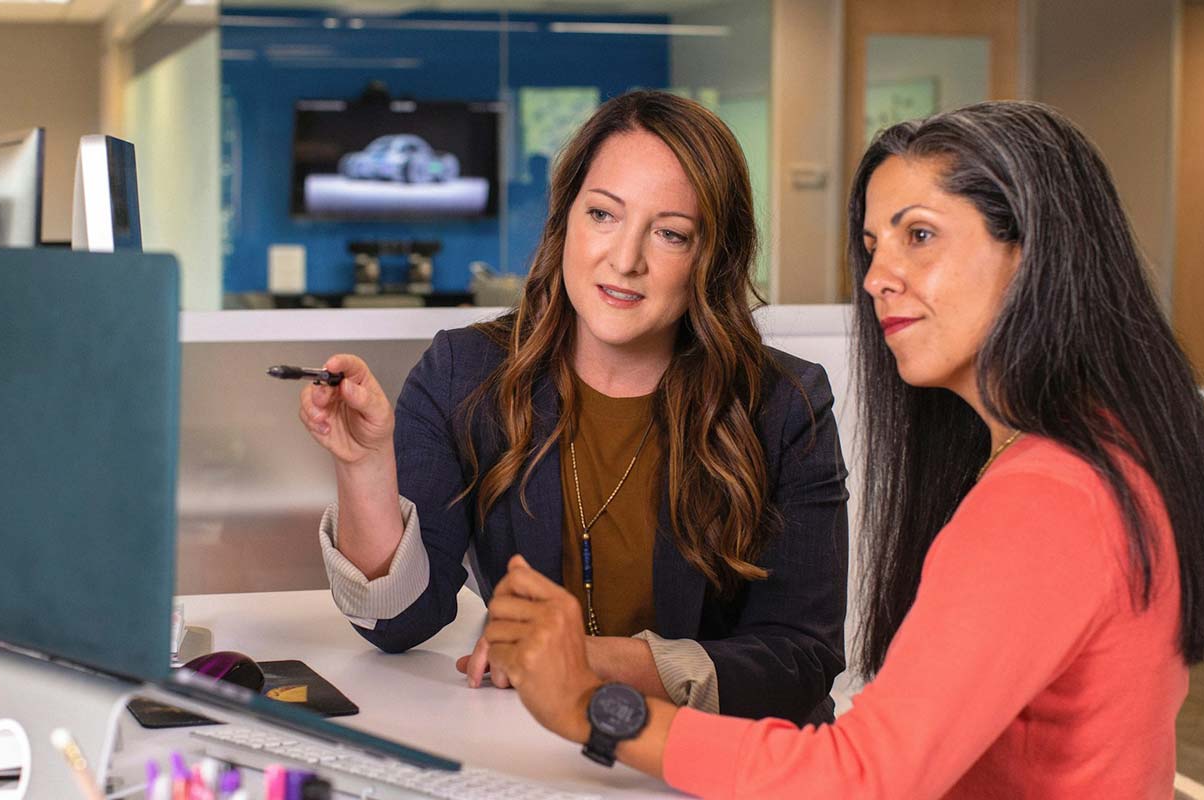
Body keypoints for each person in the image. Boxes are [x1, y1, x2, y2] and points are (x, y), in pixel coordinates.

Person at [482, 100, 1204, 797]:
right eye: (873, 245)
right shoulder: (1103, 451)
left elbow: (865, 778)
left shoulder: (1048, 496)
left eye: (920, 236)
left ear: (1033, 253)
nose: (880, 277)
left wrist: (594, 711)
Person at [295, 90, 850, 723]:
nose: (625, 259)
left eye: (670, 233)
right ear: (566, 221)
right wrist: (365, 464)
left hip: (720, 764)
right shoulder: (465, 374)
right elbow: (399, 622)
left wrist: (586, 659)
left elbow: (799, 660)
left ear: (711, 258)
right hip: (538, 753)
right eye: (603, 215)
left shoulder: (785, 404)